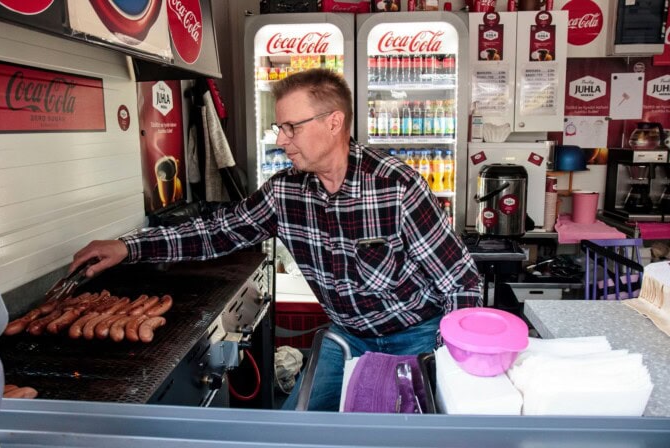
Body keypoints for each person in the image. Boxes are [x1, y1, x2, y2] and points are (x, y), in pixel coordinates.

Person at [70, 68, 482, 412]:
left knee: (396, 434)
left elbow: (460, 281)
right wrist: (129, 246)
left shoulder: (396, 186)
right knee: (290, 427)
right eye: (278, 127)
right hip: (345, 336)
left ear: (334, 122)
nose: (281, 139)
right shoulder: (285, 191)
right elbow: (218, 231)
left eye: (291, 127)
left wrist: (452, 365)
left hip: (413, 336)